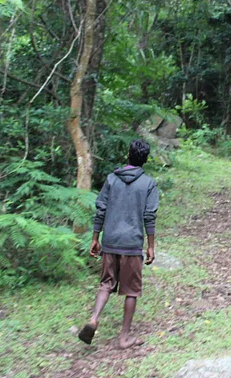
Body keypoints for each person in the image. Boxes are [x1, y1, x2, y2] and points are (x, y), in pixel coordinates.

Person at [78, 139, 159, 349]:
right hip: (131, 244)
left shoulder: (112, 179)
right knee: (131, 291)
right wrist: (150, 245)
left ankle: (94, 318)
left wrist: (95, 237)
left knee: (106, 284)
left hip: (110, 241)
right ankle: (124, 338)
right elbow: (149, 216)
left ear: (128, 156)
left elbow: (101, 209)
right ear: (146, 160)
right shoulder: (148, 183)